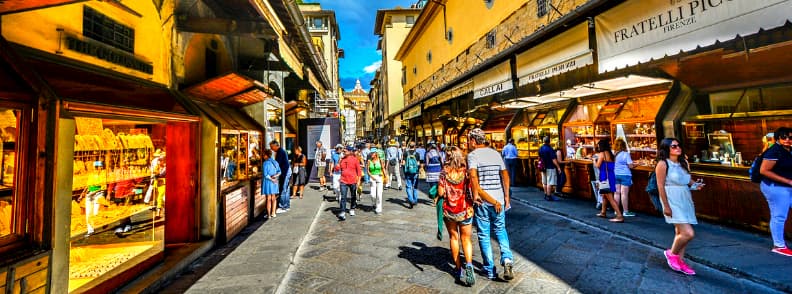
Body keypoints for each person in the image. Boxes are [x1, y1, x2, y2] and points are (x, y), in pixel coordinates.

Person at [467, 128, 514, 281]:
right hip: (499, 199)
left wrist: (475, 194)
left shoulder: (472, 155)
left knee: (484, 234)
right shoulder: (495, 153)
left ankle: (490, 269)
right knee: (500, 230)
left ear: (474, 141)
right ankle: (507, 259)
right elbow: (505, 175)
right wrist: (506, 197)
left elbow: (473, 177)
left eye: (469, 140)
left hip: (483, 201)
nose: (468, 143)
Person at [656, 138, 704, 275]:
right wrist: (666, 206)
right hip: (672, 199)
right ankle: (671, 253)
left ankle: (680, 261)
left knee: (680, 232)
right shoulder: (663, 164)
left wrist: (696, 185)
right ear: (666, 149)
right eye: (673, 146)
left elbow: (688, 180)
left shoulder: (683, 162)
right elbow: (660, 186)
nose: (678, 148)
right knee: (688, 233)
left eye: (678, 145)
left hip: (685, 198)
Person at [436, 146, 480, 286]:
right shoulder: (465, 171)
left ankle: (458, 268)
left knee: (454, 238)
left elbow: (441, 193)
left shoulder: (444, 172)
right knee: (466, 239)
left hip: (449, 210)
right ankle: (469, 265)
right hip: (465, 209)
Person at [759, 127, 792, 256]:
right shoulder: (774, 151)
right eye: (784, 137)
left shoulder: (788, 150)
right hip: (776, 187)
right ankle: (778, 245)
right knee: (779, 215)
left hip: (787, 187)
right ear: (778, 138)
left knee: (779, 215)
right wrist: (788, 181)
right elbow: (764, 171)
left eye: (790, 137)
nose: (788, 140)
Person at [595, 139, 624, 223]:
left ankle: (619, 215)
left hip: (604, 177)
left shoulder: (602, 154)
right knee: (605, 195)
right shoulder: (611, 154)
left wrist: (594, 160)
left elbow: (598, 165)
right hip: (611, 176)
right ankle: (603, 212)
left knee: (610, 197)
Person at [337, 146, 362, 220]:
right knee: (343, 196)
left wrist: (358, 181)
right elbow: (339, 168)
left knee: (353, 196)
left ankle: (352, 208)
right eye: (343, 151)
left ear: (350, 152)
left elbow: (359, 172)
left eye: (345, 151)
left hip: (353, 180)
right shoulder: (342, 159)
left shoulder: (355, 160)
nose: (343, 152)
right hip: (343, 180)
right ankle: (342, 211)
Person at [613, 138, 636, 217]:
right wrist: (635, 164)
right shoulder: (626, 154)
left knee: (616, 193)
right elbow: (630, 166)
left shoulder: (613, 154)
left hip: (615, 174)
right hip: (625, 175)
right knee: (624, 194)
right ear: (624, 145)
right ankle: (625, 211)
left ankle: (616, 210)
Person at [538, 136, 561, 201]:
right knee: (550, 182)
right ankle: (549, 196)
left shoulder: (541, 148)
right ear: (549, 141)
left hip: (543, 167)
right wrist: (558, 167)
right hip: (550, 167)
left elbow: (539, 157)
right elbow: (553, 159)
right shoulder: (550, 149)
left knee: (544, 182)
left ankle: (545, 194)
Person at [271, 141, 290, 214]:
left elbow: (277, 163)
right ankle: (286, 206)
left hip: (285, 172)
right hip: (286, 171)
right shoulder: (281, 151)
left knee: (283, 189)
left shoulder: (280, 152)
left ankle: (283, 206)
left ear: (276, 146)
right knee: (286, 189)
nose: (271, 149)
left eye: (272, 147)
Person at [261, 149, 281, 218]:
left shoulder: (265, 163)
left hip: (268, 182)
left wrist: (271, 179)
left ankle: (268, 215)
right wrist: (275, 177)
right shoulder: (275, 162)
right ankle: (273, 213)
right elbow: (279, 172)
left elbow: (266, 175)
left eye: (263, 155)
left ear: (266, 155)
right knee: (274, 198)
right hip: (275, 181)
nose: (263, 156)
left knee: (268, 198)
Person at [424, 143, 443, 209]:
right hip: (438, 170)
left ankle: (435, 200)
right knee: (438, 185)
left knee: (432, 186)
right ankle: (437, 199)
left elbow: (426, 163)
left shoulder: (428, 154)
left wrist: (425, 168)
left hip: (431, 171)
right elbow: (442, 162)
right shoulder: (439, 153)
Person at [367, 149, 385, 214]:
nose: (371, 154)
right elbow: (368, 171)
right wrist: (371, 176)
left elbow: (383, 168)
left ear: (375, 153)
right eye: (371, 153)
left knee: (379, 194)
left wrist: (385, 176)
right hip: (372, 177)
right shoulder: (369, 161)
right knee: (372, 194)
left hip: (379, 177)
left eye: (372, 153)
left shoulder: (380, 160)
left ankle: (379, 208)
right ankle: (374, 203)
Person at [403, 142, 420, 207]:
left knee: (408, 187)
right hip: (415, 172)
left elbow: (403, 163)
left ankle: (411, 200)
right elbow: (418, 164)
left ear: (409, 146)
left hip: (408, 172)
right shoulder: (417, 154)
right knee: (415, 187)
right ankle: (415, 200)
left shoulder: (405, 153)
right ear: (414, 146)